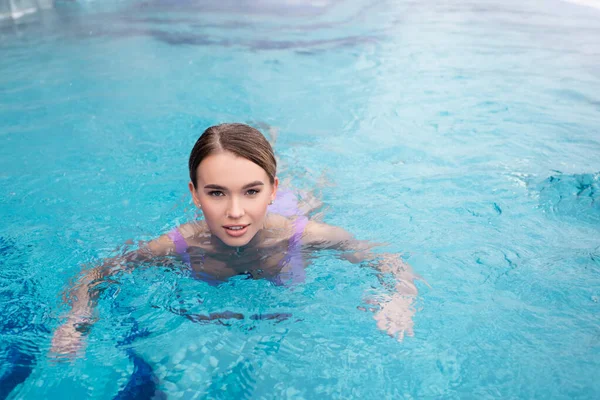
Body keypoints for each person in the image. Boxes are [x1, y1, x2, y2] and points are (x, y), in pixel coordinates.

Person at [51, 123, 422, 357]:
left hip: (289, 213)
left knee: (312, 197)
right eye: (215, 193)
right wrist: (76, 320)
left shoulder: (307, 235)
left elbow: (387, 259)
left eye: (251, 191)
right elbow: (95, 273)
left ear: (271, 190)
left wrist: (398, 299)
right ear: (194, 195)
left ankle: (275, 147)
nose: (234, 212)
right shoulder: (176, 245)